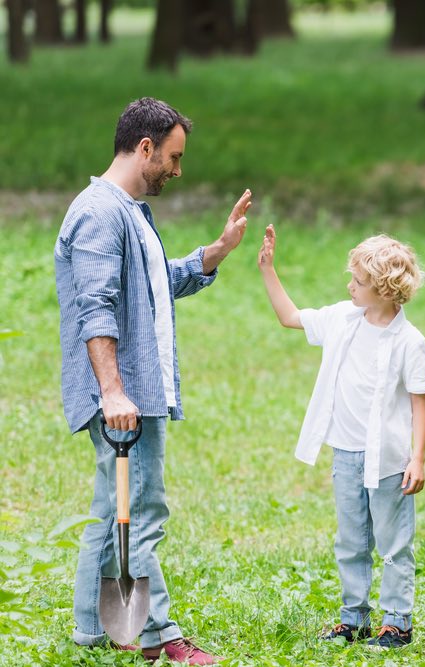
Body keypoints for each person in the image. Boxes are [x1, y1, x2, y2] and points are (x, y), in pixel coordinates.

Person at [54, 97, 252, 665]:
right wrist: (115, 392)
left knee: (109, 508)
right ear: (145, 148)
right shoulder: (99, 213)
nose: (177, 170)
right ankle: (159, 636)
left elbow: (152, 283)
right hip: (124, 395)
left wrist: (213, 255)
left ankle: (92, 632)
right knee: (142, 513)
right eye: (172, 156)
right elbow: (96, 307)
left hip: (136, 390)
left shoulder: (130, 212)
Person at [257, 224, 425, 649]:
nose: (349, 285)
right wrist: (267, 269)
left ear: (384, 289)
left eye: (358, 280)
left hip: (389, 462)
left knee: (393, 544)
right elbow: (289, 317)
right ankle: (353, 619)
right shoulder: (341, 319)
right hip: (347, 456)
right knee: (351, 542)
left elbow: (419, 401)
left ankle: (397, 623)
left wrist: (418, 458)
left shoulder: (410, 341)